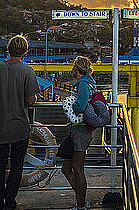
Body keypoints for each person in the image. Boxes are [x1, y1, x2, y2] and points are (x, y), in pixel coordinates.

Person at [0, 35, 40, 210]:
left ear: (8, 49)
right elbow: (31, 99)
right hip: (19, 127)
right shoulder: (27, 71)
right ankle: (10, 203)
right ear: (25, 51)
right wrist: (35, 98)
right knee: (17, 166)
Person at [58, 56, 96, 210]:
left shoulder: (83, 84)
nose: (71, 69)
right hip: (77, 131)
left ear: (77, 69)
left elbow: (80, 105)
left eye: (73, 67)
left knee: (78, 169)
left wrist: (69, 106)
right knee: (66, 169)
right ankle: (81, 199)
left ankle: (81, 204)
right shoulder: (84, 83)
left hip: (81, 131)